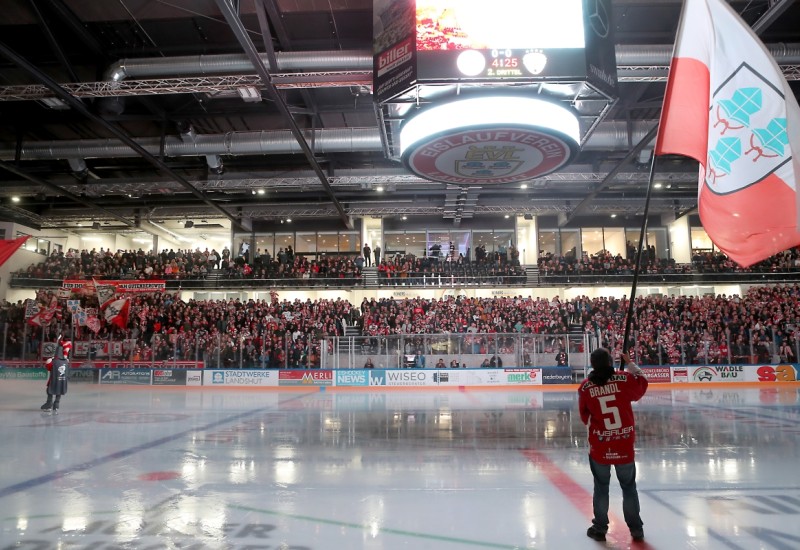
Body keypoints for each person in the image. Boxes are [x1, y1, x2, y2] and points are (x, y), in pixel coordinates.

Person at [578, 348, 648, 542]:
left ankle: (600, 527)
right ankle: (636, 529)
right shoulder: (624, 379)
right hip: (624, 444)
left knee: (601, 487)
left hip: (600, 445)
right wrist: (631, 364)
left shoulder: (585, 387)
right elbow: (642, 385)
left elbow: (585, 417)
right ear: (610, 362)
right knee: (628, 487)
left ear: (592, 364)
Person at [41, 336, 72, 413]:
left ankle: (49, 404)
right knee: (59, 391)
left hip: (53, 380)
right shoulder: (66, 362)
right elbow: (67, 372)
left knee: (49, 391)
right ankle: (56, 405)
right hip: (62, 381)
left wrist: (49, 361)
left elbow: (48, 368)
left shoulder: (53, 361)